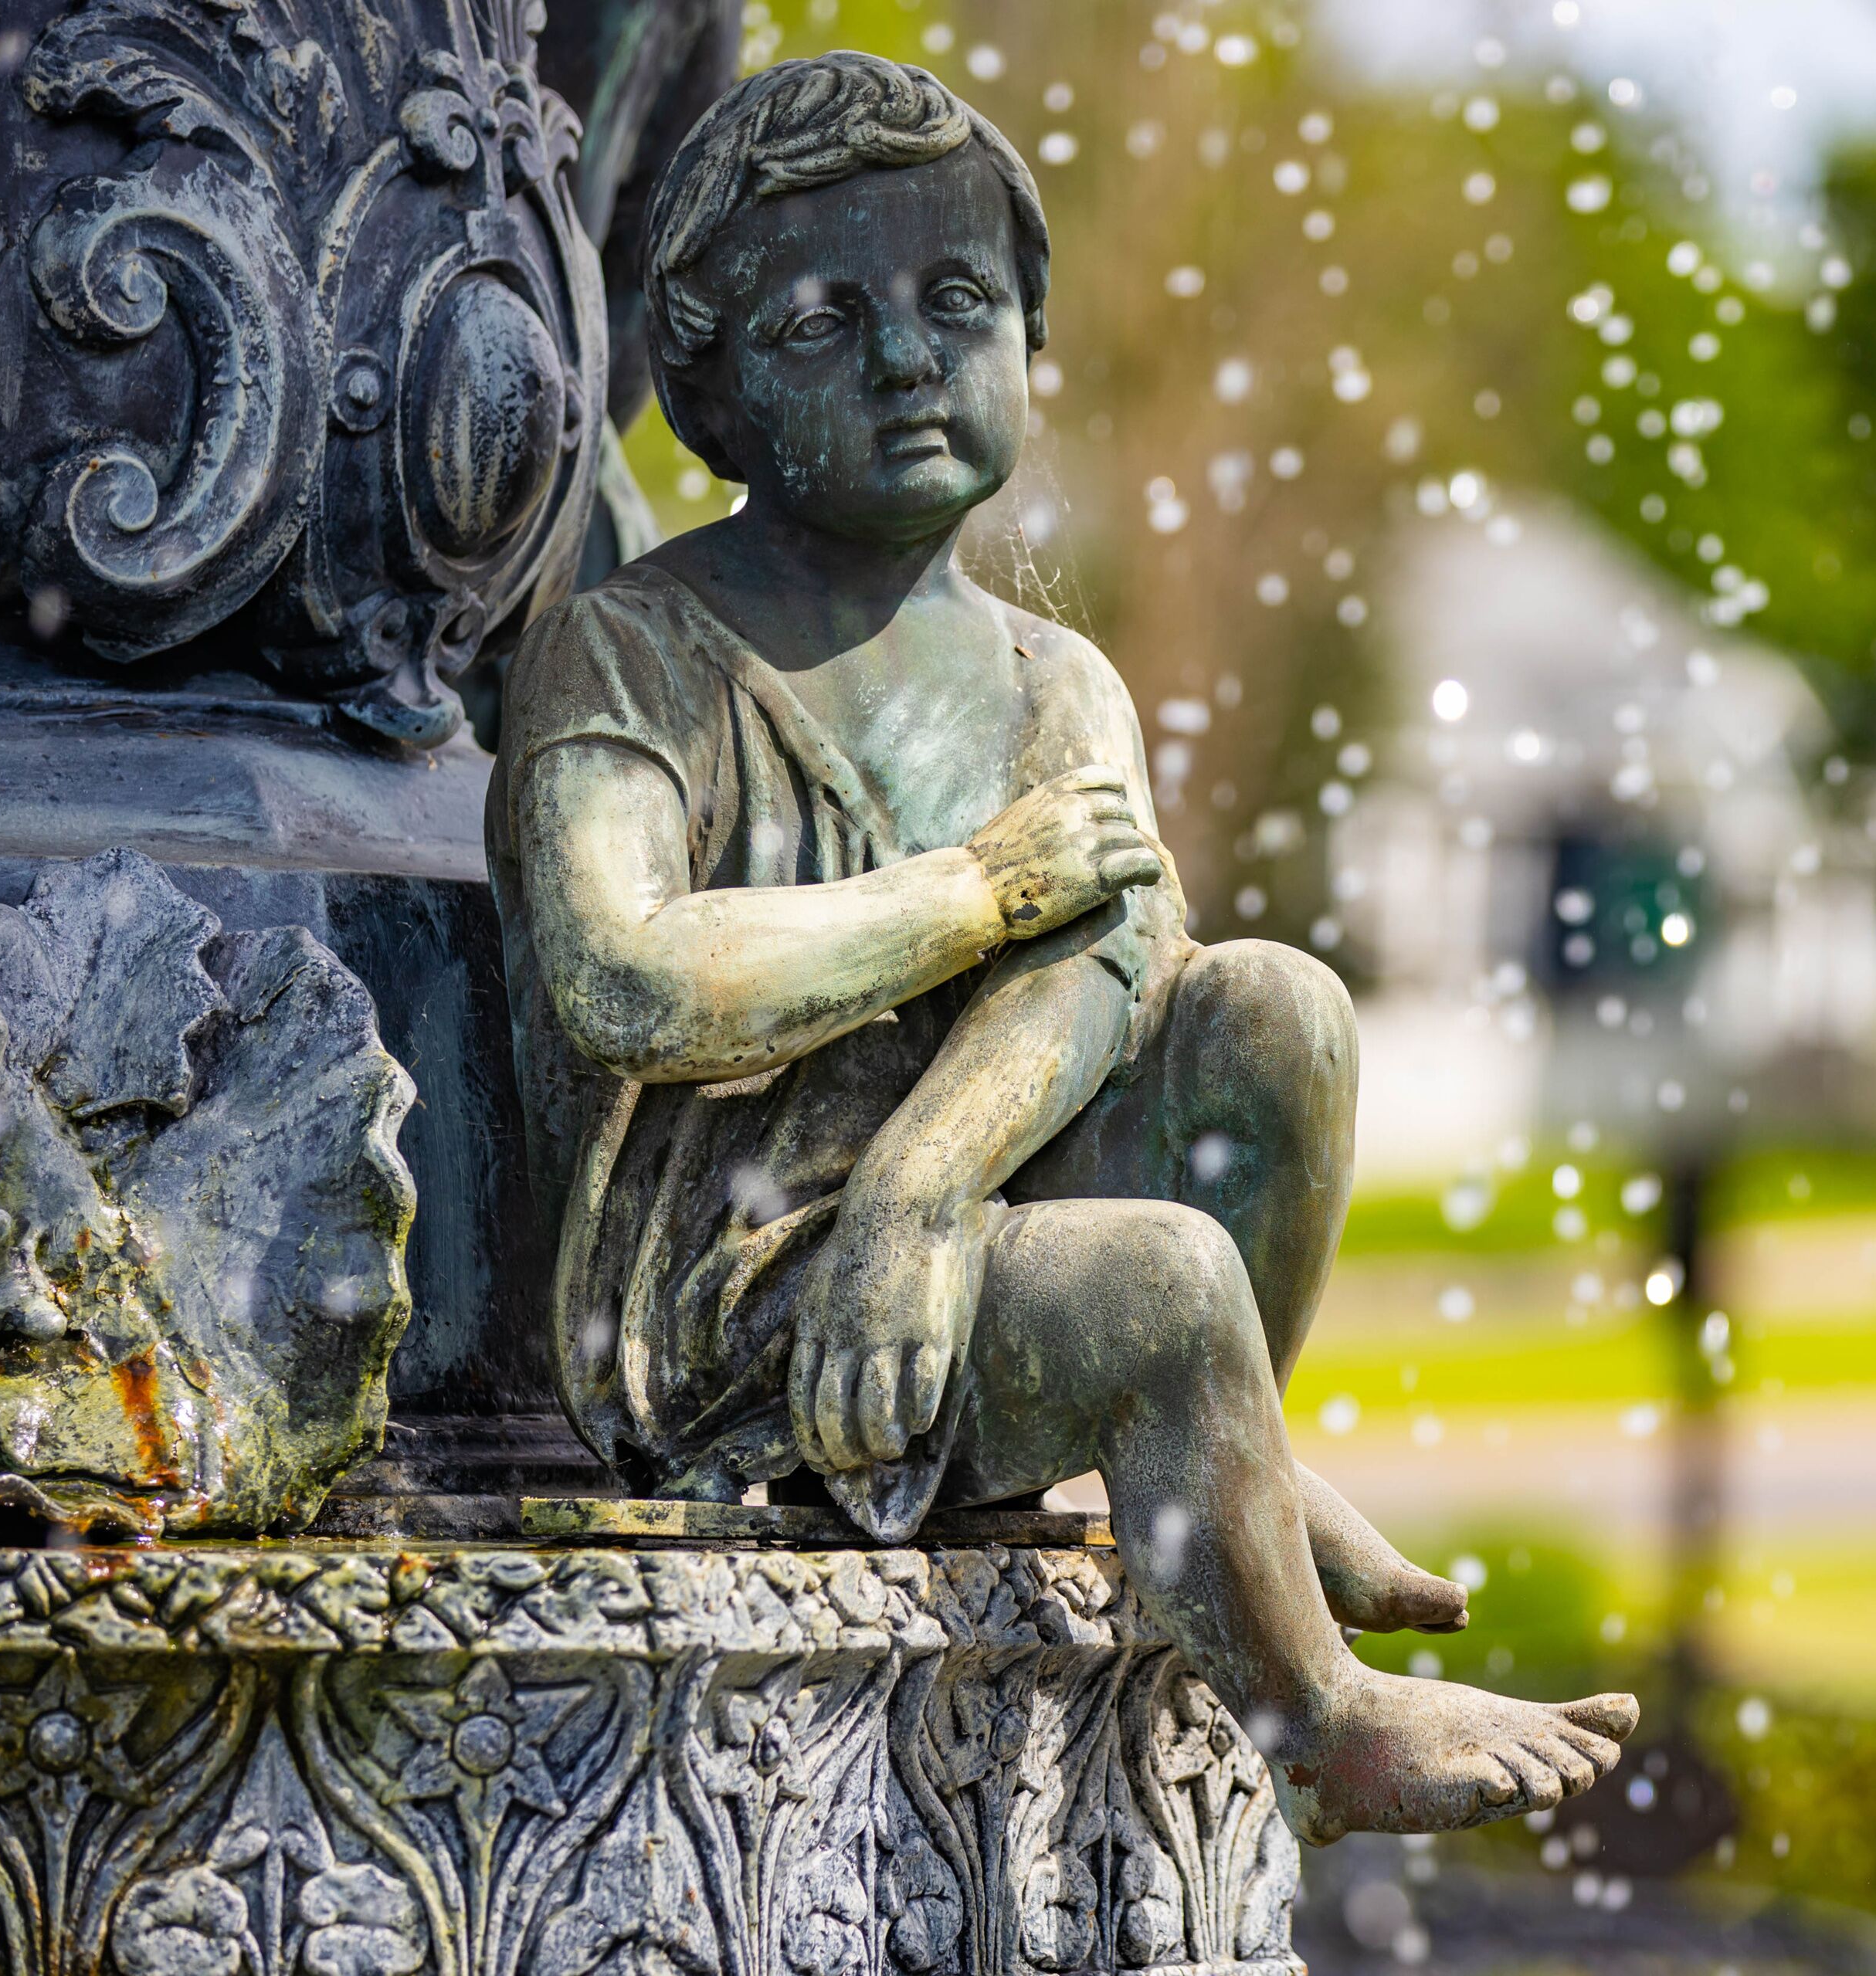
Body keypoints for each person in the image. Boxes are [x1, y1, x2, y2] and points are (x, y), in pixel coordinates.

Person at [486, 49, 1633, 1841]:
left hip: (924, 1235)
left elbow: (1102, 969)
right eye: (819, 322)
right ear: (702, 389)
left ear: (1030, 336)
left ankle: (1214, 1446)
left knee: (1278, 1013)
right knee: (1166, 1280)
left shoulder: (1053, 678)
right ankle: (1315, 1717)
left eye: (958, 302)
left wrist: (924, 1187)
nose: (902, 357)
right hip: (738, 1311)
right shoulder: (633, 650)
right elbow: (625, 976)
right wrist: (972, 891)